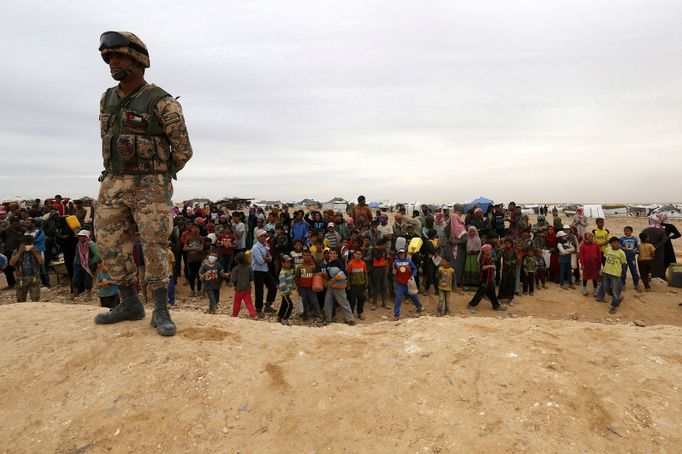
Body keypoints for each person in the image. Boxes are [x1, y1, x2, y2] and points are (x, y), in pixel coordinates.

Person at [94, 31, 193, 336]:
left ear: (138, 60)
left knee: (154, 246)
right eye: (109, 57)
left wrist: (159, 174)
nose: (113, 63)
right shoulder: (107, 98)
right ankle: (130, 303)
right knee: (109, 244)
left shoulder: (162, 102)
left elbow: (183, 150)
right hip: (112, 182)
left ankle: (160, 309)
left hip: (150, 185)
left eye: (119, 56)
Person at [466, 244, 506, 313]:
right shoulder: (483, 258)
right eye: (489, 250)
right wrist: (491, 266)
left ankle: (496, 306)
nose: (491, 251)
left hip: (489, 279)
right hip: (485, 279)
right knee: (480, 293)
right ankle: (471, 305)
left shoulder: (488, 257)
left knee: (492, 293)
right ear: (485, 251)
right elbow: (482, 267)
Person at [322, 250, 356, 326]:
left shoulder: (339, 262)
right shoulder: (328, 264)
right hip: (331, 287)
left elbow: (344, 273)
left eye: (334, 253)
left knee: (343, 303)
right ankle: (328, 319)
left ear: (337, 255)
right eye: (330, 253)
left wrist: (334, 280)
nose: (332, 255)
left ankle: (350, 319)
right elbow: (328, 275)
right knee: (327, 302)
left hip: (339, 287)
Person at [597, 237, 628, 314]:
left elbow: (624, 263)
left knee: (615, 290)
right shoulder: (607, 250)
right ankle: (618, 297)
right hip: (606, 272)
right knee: (606, 288)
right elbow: (604, 259)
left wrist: (623, 273)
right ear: (611, 244)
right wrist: (603, 269)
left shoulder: (621, 253)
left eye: (617, 242)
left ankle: (614, 306)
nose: (616, 244)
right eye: (614, 242)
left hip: (616, 274)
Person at [9, 235, 44, 302]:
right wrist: (19, 253)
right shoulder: (16, 251)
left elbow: (42, 262)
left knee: (35, 300)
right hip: (21, 278)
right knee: (20, 300)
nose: (28, 246)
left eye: (30, 244)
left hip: (34, 278)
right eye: (26, 244)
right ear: (21, 244)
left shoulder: (36, 250)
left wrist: (36, 253)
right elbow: (11, 263)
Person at [392, 248, 424, 321]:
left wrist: (413, 275)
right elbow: (394, 270)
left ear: (405, 254)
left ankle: (419, 307)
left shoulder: (409, 261)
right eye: (400, 253)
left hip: (408, 283)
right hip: (400, 283)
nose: (401, 254)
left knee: (413, 296)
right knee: (398, 299)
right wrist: (394, 272)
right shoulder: (396, 262)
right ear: (398, 254)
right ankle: (396, 315)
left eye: (403, 253)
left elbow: (414, 269)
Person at [251, 229, 277, 315]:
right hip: (257, 270)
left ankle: (268, 305)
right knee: (259, 290)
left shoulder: (265, 246)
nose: (264, 238)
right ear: (258, 237)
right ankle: (258, 309)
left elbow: (270, 259)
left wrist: (266, 258)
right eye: (262, 236)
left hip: (265, 269)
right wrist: (266, 258)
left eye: (265, 236)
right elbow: (260, 261)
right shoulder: (255, 247)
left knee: (273, 286)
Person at [72, 230, 101, 301]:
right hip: (78, 264)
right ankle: (75, 294)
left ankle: (89, 296)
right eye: (79, 236)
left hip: (88, 265)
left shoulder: (91, 244)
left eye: (82, 236)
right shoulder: (78, 244)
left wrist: (91, 262)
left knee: (88, 279)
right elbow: (76, 254)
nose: (80, 238)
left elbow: (97, 255)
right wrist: (75, 262)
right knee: (75, 279)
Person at [199, 249, 229, 314]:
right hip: (208, 286)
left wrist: (226, 274)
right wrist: (204, 275)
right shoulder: (204, 265)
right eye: (212, 255)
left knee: (216, 300)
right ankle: (215, 310)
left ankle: (210, 309)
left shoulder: (217, 265)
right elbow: (200, 278)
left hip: (216, 285)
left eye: (215, 256)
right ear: (208, 256)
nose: (213, 257)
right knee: (212, 299)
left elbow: (222, 274)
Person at [230, 252, 257, 319]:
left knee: (237, 303)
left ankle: (235, 315)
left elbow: (233, 280)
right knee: (249, 302)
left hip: (239, 289)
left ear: (237, 260)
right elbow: (252, 278)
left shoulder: (235, 269)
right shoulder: (249, 268)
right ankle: (254, 315)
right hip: (247, 288)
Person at [294, 250, 320, 321]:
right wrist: (298, 287)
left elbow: (316, 276)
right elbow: (296, 277)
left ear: (310, 256)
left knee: (314, 301)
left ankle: (318, 314)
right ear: (302, 257)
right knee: (304, 302)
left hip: (311, 288)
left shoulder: (313, 266)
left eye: (308, 255)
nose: (306, 256)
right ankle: (305, 315)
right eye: (304, 255)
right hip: (302, 288)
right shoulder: (299, 267)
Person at [346, 249, 368, 319]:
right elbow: (348, 275)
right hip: (353, 286)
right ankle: (350, 314)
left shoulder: (363, 263)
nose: (358, 256)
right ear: (354, 255)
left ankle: (360, 313)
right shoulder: (350, 264)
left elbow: (365, 274)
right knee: (352, 300)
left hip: (361, 285)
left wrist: (366, 284)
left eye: (360, 254)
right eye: (356, 254)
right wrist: (348, 285)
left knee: (361, 300)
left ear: (362, 256)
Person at [579, 232, 602, 296]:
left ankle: (595, 289)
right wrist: (582, 264)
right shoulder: (583, 246)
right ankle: (584, 289)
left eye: (592, 236)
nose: (591, 237)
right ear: (586, 237)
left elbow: (599, 255)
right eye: (589, 236)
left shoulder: (596, 245)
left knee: (595, 277)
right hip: (586, 265)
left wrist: (599, 264)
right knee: (585, 277)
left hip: (594, 264)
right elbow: (581, 256)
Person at [620, 226, 641, 292]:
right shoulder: (621, 239)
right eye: (625, 231)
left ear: (631, 231)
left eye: (628, 231)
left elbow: (637, 246)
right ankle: (623, 284)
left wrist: (635, 249)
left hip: (632, 258)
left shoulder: (634, 239)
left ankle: (636, 284)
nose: (626, 232)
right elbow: (619, 246)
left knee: (634, 271)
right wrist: (623, 248)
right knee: (623, 271)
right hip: (624, 258)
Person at [497, 238, 517, 305]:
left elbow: (517, 260)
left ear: (511, 244)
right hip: (504, 270)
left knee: (511, 284)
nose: (507, 245)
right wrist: (500, 250)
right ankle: (500, 298)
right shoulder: (502, 250)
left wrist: (511, 262)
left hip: (512, 270)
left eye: (508, 244)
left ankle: (510, 299)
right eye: (506, 244)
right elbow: (499, 257)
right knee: (503, 283)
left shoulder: (514, 251)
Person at [462, 226, 482, 291]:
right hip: (468, 257)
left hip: (475, 257)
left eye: (473, 231)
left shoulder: (478, 239)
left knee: (474, 270)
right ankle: (466, 287)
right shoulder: (468, 239)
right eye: (470, 231)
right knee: (468, 269)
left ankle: (475, 287)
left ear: (476, 232)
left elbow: (479, 250)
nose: (471, 233)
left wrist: (472, 252)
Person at [277, 255, 295, 325]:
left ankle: (280, 316)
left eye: (289, 262)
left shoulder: (288, 270)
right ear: (282, 263)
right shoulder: (283, 272)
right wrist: (287, 290)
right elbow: (282, 284)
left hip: (287, 292)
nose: (289, 264)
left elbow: (289, 278)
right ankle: (285, 318)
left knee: (284, 304)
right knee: (289, 304)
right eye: (287, 262)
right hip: (285, 292)